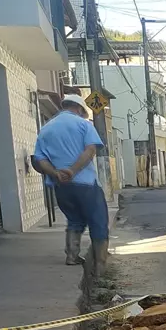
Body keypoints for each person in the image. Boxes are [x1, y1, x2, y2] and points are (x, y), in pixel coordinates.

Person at [31, 95, 109, 272]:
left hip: (61, 186)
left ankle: (72, 256)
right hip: (86, 184)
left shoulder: (46, 129)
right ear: (80, 109)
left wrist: (56, 173)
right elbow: (90, 150)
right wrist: (72, 171)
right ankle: (100, 266)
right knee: (98, 221)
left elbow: (39, 159)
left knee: (74, 220)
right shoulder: (84, 125)